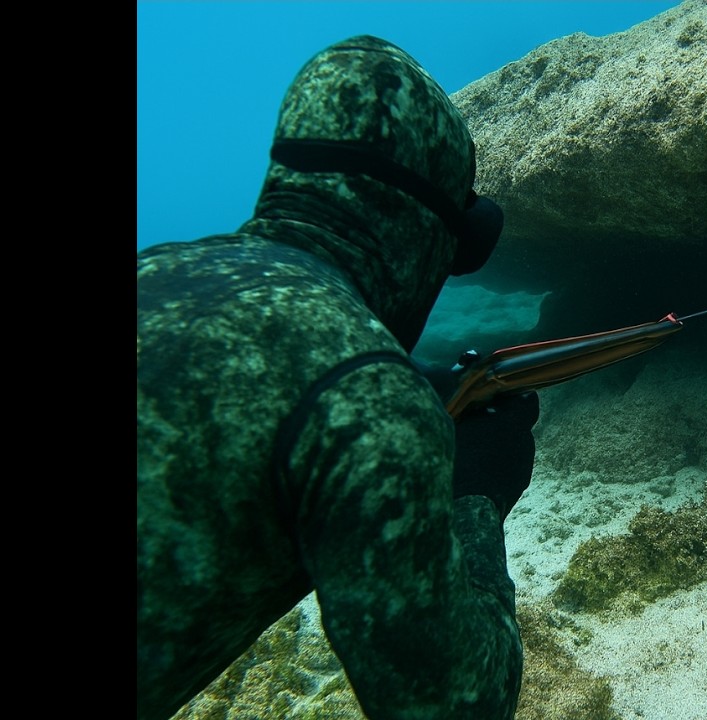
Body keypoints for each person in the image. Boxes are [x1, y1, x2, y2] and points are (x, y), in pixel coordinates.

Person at [137, 36, 538, 720]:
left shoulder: (155, 271)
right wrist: (475, 494)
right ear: (431, 231)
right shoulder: (366, 396)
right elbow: (456, 707)